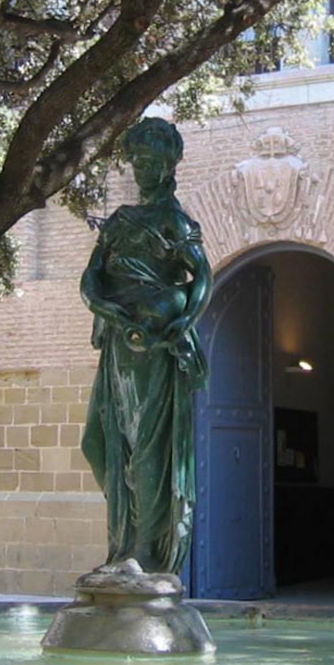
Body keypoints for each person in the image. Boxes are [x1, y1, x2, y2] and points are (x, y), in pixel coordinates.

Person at [80, 118, 212, 576]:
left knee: (147, 447)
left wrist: (178, 325)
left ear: (170, 166)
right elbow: (92, 277)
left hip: (153, 345)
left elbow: (203, 278)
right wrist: (106, 307)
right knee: (100, 442)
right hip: (120, 343)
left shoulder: (175, 223)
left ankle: (143, 552)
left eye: (153, 162)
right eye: (138, 161)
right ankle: (121, 545)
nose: (143, 170)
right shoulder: (118, 222)